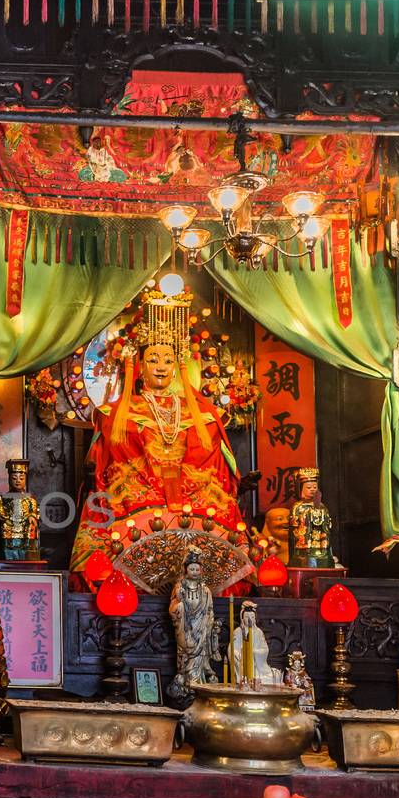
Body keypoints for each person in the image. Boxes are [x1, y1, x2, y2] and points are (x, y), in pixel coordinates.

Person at [71, 297, 245, 574]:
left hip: (191, 498)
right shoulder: (115, 413)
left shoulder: (203, 414)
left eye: (168, 359)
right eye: (152, 359)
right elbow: (109, 464)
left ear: (178, 366)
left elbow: (213, 463)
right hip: (139, 498)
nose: (161, 366)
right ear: (138, 366)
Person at [169, 551, 218, 707]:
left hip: (201, 629)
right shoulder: (179, 587)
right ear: (185, 570)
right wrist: (180, 603)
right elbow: (172, 608)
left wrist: (208, 623)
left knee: (200, 657)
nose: (195, 572)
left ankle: (198, 685)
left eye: (198, 569)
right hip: (185, 629)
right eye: (192, 569)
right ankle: (185, 684)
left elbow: (210, 610)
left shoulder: (205, 590)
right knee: (185, 654)